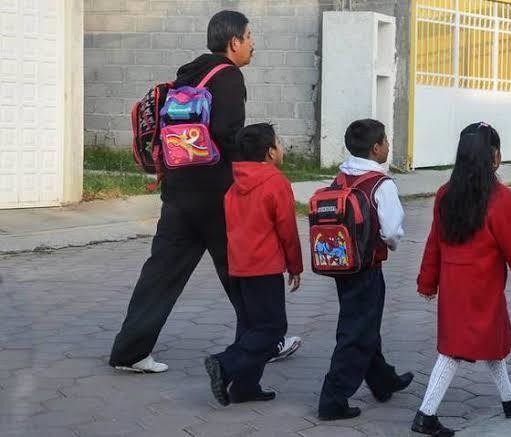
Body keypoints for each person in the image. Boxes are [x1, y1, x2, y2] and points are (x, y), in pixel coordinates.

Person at [109, 10, 300, 373]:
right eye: (249, 36)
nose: (253, 43)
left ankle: (129, 352)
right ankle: (265, 340)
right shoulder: (229, 77)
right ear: (234, 43)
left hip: (179, 190)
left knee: (161, 273)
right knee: (240, 269)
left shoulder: (189, 73)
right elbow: (228, 135)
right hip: (217, 194)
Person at [411, 122, 511, 436]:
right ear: (493, 156)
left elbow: (434, 243)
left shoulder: (445, 194)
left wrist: (427, 282)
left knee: (489, 343)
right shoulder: (501, 198)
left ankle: (510, 399)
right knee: (454, 351)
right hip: (483, 288)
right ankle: (425, 415)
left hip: (455, 287)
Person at [317, 119, 414, 421]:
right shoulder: (381, 184)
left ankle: (383, 380)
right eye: (385, 141)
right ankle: (333, 399)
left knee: (362, 322)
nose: (387, 146)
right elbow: (392, 231)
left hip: (342, 263)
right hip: (367, 267)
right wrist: (391, 244)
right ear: (376, 148)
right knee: (356, 331)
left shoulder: (342, 176)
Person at [204, 123, 303, 405]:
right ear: (270, 152)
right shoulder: (276, 182)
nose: (281, 148)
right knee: (272, 330)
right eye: (279, 143)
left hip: (238, 265)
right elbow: (287, 229)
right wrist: (295, 266)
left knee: (249, 327)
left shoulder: (235, 185)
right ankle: (224, 364)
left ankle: (245, 387)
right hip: (265, 267)